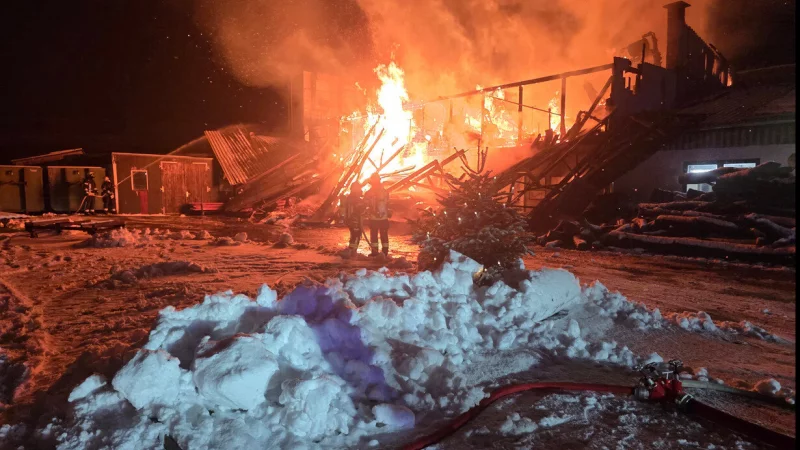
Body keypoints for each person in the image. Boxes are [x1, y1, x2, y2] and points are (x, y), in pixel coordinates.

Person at [364, 173, 390, 256]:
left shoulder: (369, 193)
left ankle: (374, 253)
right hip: (384, 218)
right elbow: (388, 203)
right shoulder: (385, 192)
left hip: (373, 218)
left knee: (374, 236)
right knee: (384, 235)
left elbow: (365, 204)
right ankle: (385, 252)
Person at [342, 180, 364, 256]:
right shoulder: (354, 199)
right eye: (359, 188)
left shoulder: (351, 198)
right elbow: (359, 208)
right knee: (356, 235)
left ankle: (352, 251)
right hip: (354, 221)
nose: (360, 190)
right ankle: (352, 251)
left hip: (353, 220)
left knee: (355, 235)